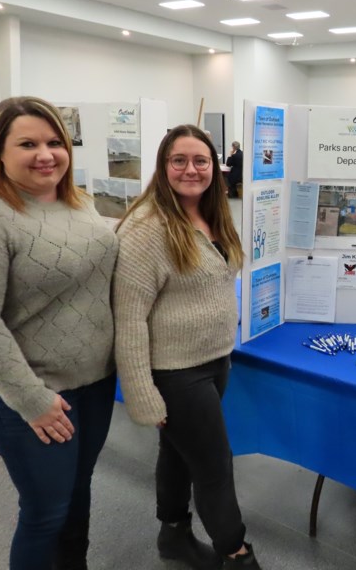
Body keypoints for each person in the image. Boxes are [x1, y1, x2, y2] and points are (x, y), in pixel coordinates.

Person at [0, 96, 120, 570]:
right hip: (28, 390)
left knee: (78, 497)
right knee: (46, 512)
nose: (46, 154)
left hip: (94, 384)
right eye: (28, 144)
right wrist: (31, 399)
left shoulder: (78, 202)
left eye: (55, 141)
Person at [112, 125, 263, 570]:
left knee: (177, 453)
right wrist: (140, 392)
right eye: (179, 160)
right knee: (215, 466)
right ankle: (236, 554)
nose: (191, 170)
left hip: (215, 360)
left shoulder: (214, 216)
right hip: (176, 372)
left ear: (215, 168)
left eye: (201, 161)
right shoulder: (144, 230)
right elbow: (128, 319)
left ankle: (173, 535)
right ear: (163, 167)